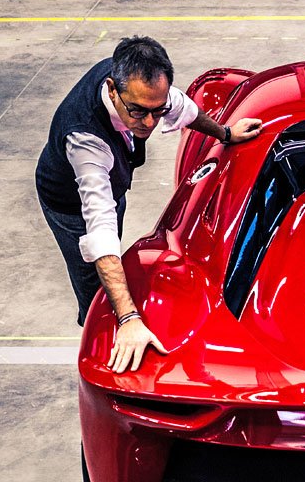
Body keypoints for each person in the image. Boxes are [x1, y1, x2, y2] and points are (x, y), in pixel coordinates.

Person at [36, 35, 261, 373]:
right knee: (94, 284)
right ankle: (99, 334)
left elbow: (185, 109)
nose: (150, 123)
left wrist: (226, 134)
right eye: (139, 112)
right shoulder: (86, 141)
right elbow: (100, 229)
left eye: (157, 112)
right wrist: (128, 318)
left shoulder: (146, 90)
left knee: (114, 256)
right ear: (113, 90)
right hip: (68, 201)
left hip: (114, 182)